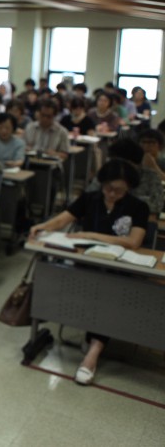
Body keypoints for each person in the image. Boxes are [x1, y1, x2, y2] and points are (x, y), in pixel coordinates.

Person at [29, 160, 148, 386]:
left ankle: (92, 354)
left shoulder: (137, 207)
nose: (111, 193)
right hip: (86, 266)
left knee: (109, 296)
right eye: (108, 188)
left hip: (117, 270)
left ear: (129, 188)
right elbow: (65, 218)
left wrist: (93, 235)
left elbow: (134, 241)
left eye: (118, 190)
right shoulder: (90, 198)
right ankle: (91, 336)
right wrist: (44, 226)